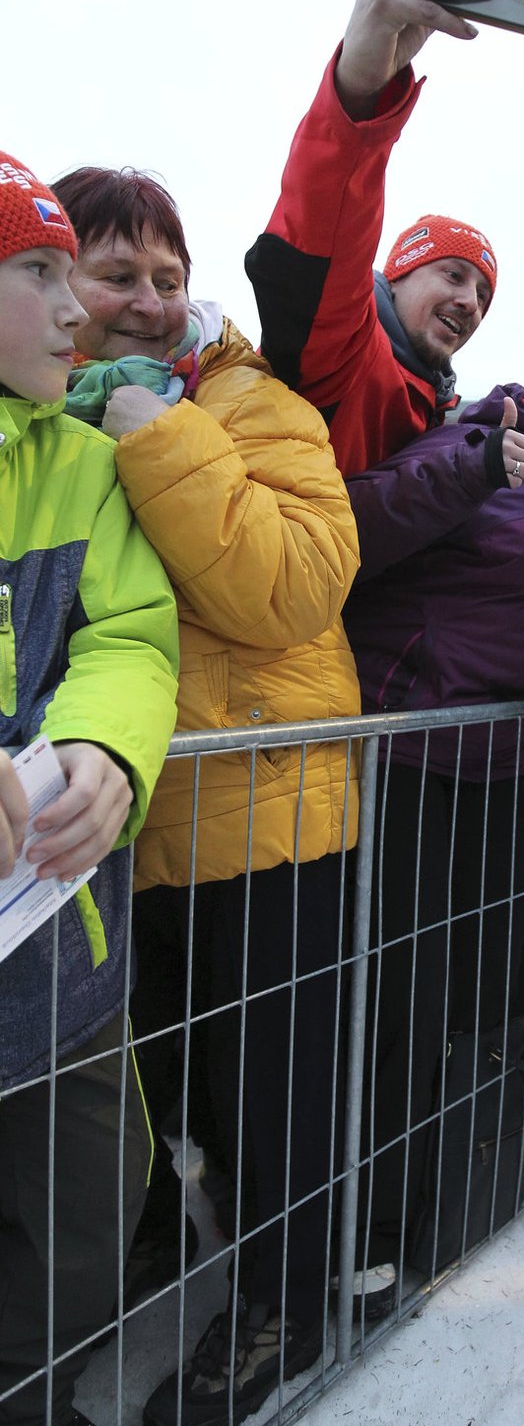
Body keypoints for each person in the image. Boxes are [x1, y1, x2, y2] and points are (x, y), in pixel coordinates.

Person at [51, 166, 362, 1426]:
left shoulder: (248, 402)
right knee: (162, 1090)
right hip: (129, 824)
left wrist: (150, 427)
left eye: (167, 279)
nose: (144, 301)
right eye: (113, 274)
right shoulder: (37, 412)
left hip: (272, 807)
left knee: (277, 1101)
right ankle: (163, 1255)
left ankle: (288, 1303)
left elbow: (292, 587)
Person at [341, 340, 524, 1309]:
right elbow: (369, 533)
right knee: (394, 1004)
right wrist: (479, 467)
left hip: (508, 777)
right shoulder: (483, 438)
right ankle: (365, 1231)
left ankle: (456, 1199)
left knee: (488, 997)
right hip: (411, 760)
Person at [0, 155, 179, 1426]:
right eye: (41, 272)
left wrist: (111, 746)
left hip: (60, 940)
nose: (80, 313)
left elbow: (131, 632)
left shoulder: (85, 461)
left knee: (89, 1209)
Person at [246, 0, 502, 476]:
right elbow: (324, 233)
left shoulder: (445, 413)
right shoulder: (346, 350)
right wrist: (361, 93)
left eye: (484, 295)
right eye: (454, 275)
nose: (470, 303)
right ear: (399, 271)